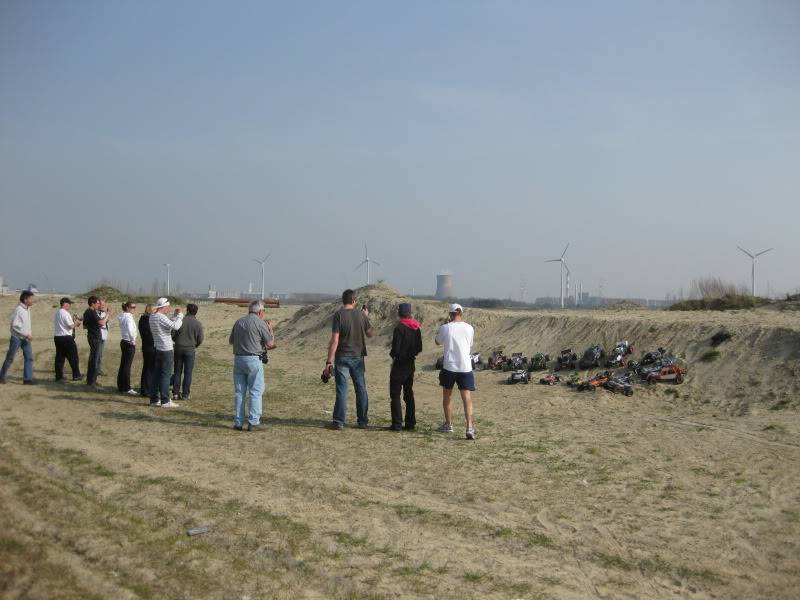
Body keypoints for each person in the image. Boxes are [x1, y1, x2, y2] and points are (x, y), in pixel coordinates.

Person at [323, 289, 374, 430]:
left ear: (343, 300)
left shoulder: (338, 315)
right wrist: (366, 317)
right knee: (361, 389)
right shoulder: (361, 315)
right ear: (354, 301)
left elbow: (334, 340)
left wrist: (328, 362)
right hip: (358, 357)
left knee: (342, 390)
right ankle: (362, 421)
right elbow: (370, 334)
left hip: (342, 356)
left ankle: (339, 421)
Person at [229, 300, 275, 431]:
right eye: (264, 311)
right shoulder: (260, 323)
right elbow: (270, 344)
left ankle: (238, 422)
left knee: (239, 392)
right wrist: (270, 330)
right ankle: (253, 421)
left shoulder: (238, 322)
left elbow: (231, 341)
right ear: (260, 312)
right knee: (255, 391)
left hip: (238, 359)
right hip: (253, 359)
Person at [434, 303, 477, 440]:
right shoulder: (469, 328)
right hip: (465, 366)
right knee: (467, 398)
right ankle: (469, 427)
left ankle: (449, 424)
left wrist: (445, 326)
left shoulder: (445, 328)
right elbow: (469, 344)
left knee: (447, 396)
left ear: (450, 314)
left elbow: (437, 341)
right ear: (461, 314)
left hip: (450, 366)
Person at [388, 302, 422, 431]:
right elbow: (419, 348)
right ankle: (410, 423)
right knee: (409, 394)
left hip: (399, 364)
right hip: (410, 364)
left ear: (400, 313)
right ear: (409, 313)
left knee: (395, 394)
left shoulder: (399, 328)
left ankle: (397, 424)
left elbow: (395, 349)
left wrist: (393, 356)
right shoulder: (416, 327)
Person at [149, 297, 183, 407]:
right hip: (166, 349)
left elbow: (167, 323)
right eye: (168, 307)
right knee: (165, 375)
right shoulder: (160, 317)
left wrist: (175, 316)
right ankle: (165, 400)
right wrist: (180, 316)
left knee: (157, 375)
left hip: (158, 348)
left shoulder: (153, 316)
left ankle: (154, 399)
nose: (169, 308)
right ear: (164, 306)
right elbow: (176, 326)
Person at [0, 291, 35, 384]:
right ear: (25, 299)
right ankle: (1, 376)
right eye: (31, 299)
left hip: (26, 338)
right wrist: (26, 334)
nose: (32, 301)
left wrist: (29, 334)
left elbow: (27, 325)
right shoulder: (19, 309)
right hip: (17, 338)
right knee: (10, 357)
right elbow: (15, 325)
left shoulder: (28, 309)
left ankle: (27, 379)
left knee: (29, 357)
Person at [171, 303, 204, 401]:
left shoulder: (181, 321)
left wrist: (176, 341)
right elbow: (200, 338)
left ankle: (175, 394)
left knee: (177, 372)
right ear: (196, 312)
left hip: (178, 348)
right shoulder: (198, 324)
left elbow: (173, 333)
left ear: (187, 310)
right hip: (190, 349)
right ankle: (185, 394)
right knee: (188, 373)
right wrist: (195, 345)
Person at [53, 297, 82, 382]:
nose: (70, 305)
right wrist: (77, 323)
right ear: (65, 304)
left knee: (60, 357)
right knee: (73, 357)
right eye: (69, 303)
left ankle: (59, 377)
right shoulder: (65, 313)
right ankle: (76, 375)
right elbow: (70, 326)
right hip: (66, 338)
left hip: (58, 337)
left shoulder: (57, 312)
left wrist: (74, 321)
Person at [83, 296, 109, 387]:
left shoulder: (87, 312)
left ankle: (90, 380)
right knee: (94, 359)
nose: (99, 305)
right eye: (98, 303)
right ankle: (92, 382)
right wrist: (107, 315)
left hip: (92, 336)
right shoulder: (91, 312)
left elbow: (85, 326)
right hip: (95, 338)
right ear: (92, 303)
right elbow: (101, 323)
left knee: (93, 359)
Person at [117, 301, 138, 394]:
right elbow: (130, 330)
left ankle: (121, 385)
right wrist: (133, 340)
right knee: (126, 366)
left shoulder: (123, 316)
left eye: (134, 307)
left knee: (123, 365)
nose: (134, 309)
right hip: (129, 342)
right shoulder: (128, 317)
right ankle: (126, 387)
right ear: (127, 308)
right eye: (132, 307)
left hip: (124, 341)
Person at [138, 304, 156, 398]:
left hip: (146, 346)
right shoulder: (147, 320)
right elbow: (150, 335)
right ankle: (147, 390)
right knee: (150, 369)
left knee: (147, 368)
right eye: (154, 310)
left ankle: (145, 389)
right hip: (150, 346)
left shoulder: (143, 319)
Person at [97, 298, 109, 376]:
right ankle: (96, 369)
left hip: (103, 335)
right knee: (97, 354)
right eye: (102, 304)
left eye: (104, 305)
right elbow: (101, 323)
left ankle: (98, 369)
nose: (103, 306)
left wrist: (107, 314)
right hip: (98, 336)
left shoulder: (103, 313)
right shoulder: (95, 313)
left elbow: (107, 321)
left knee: (100, 354)